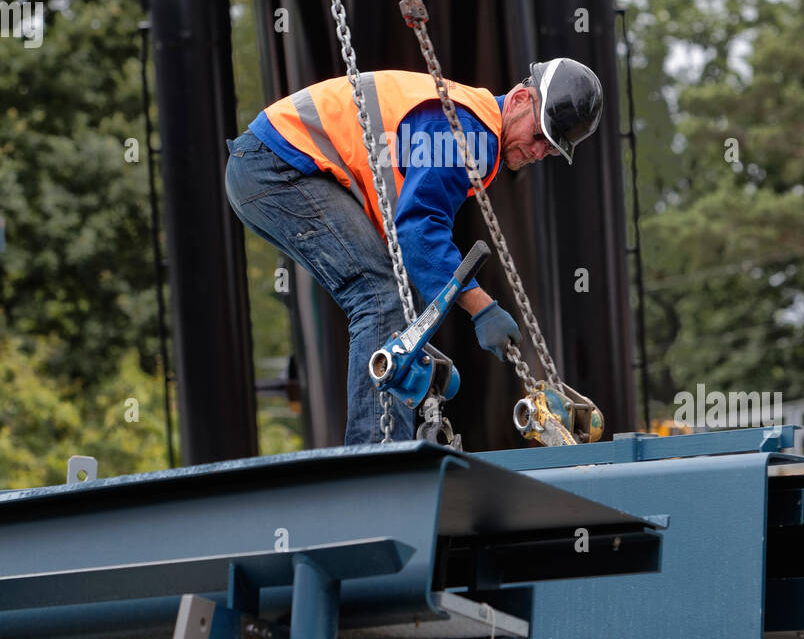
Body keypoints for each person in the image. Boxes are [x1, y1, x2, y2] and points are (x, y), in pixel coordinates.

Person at [224, 57, 602, 445]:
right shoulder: (466, 129)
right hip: (277, 166)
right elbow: (420, 230)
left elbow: (415, 242)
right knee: (379, 295)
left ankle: (389, 439)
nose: (539, 153)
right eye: (540, 137)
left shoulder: (470, 125)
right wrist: (481, 307)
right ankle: (376, 454)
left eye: (551, 150)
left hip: (272, 165)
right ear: (521, 98)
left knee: (394, 301)